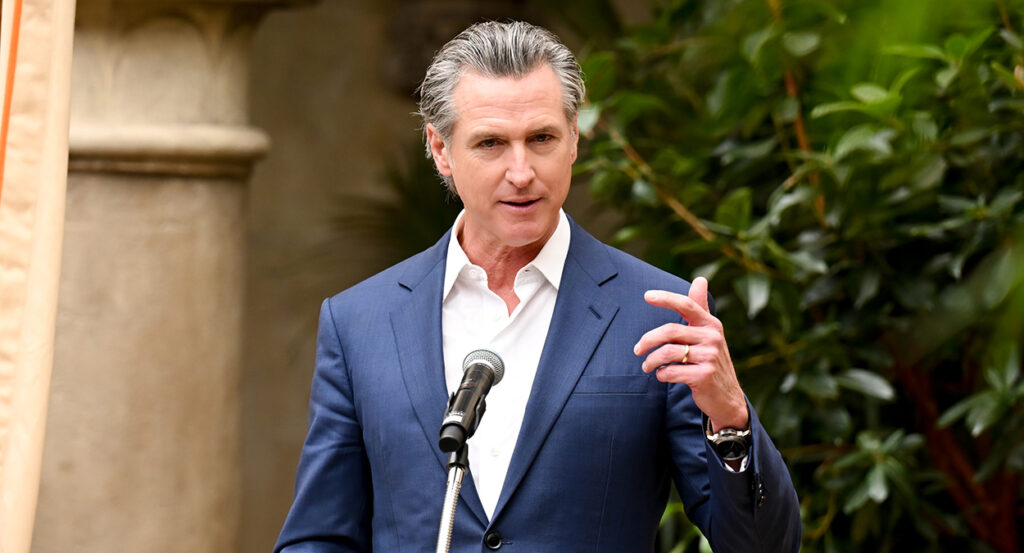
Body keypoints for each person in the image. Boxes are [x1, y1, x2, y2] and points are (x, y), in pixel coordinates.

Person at [274, 20, 800, 553]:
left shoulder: (658, 312)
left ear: (575, 137)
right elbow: (318, 538)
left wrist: (730, 418)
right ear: (440, 150)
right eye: (491, 143)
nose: (521, 171)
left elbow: (765, 547)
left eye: (541, 138)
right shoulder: (360, 321)